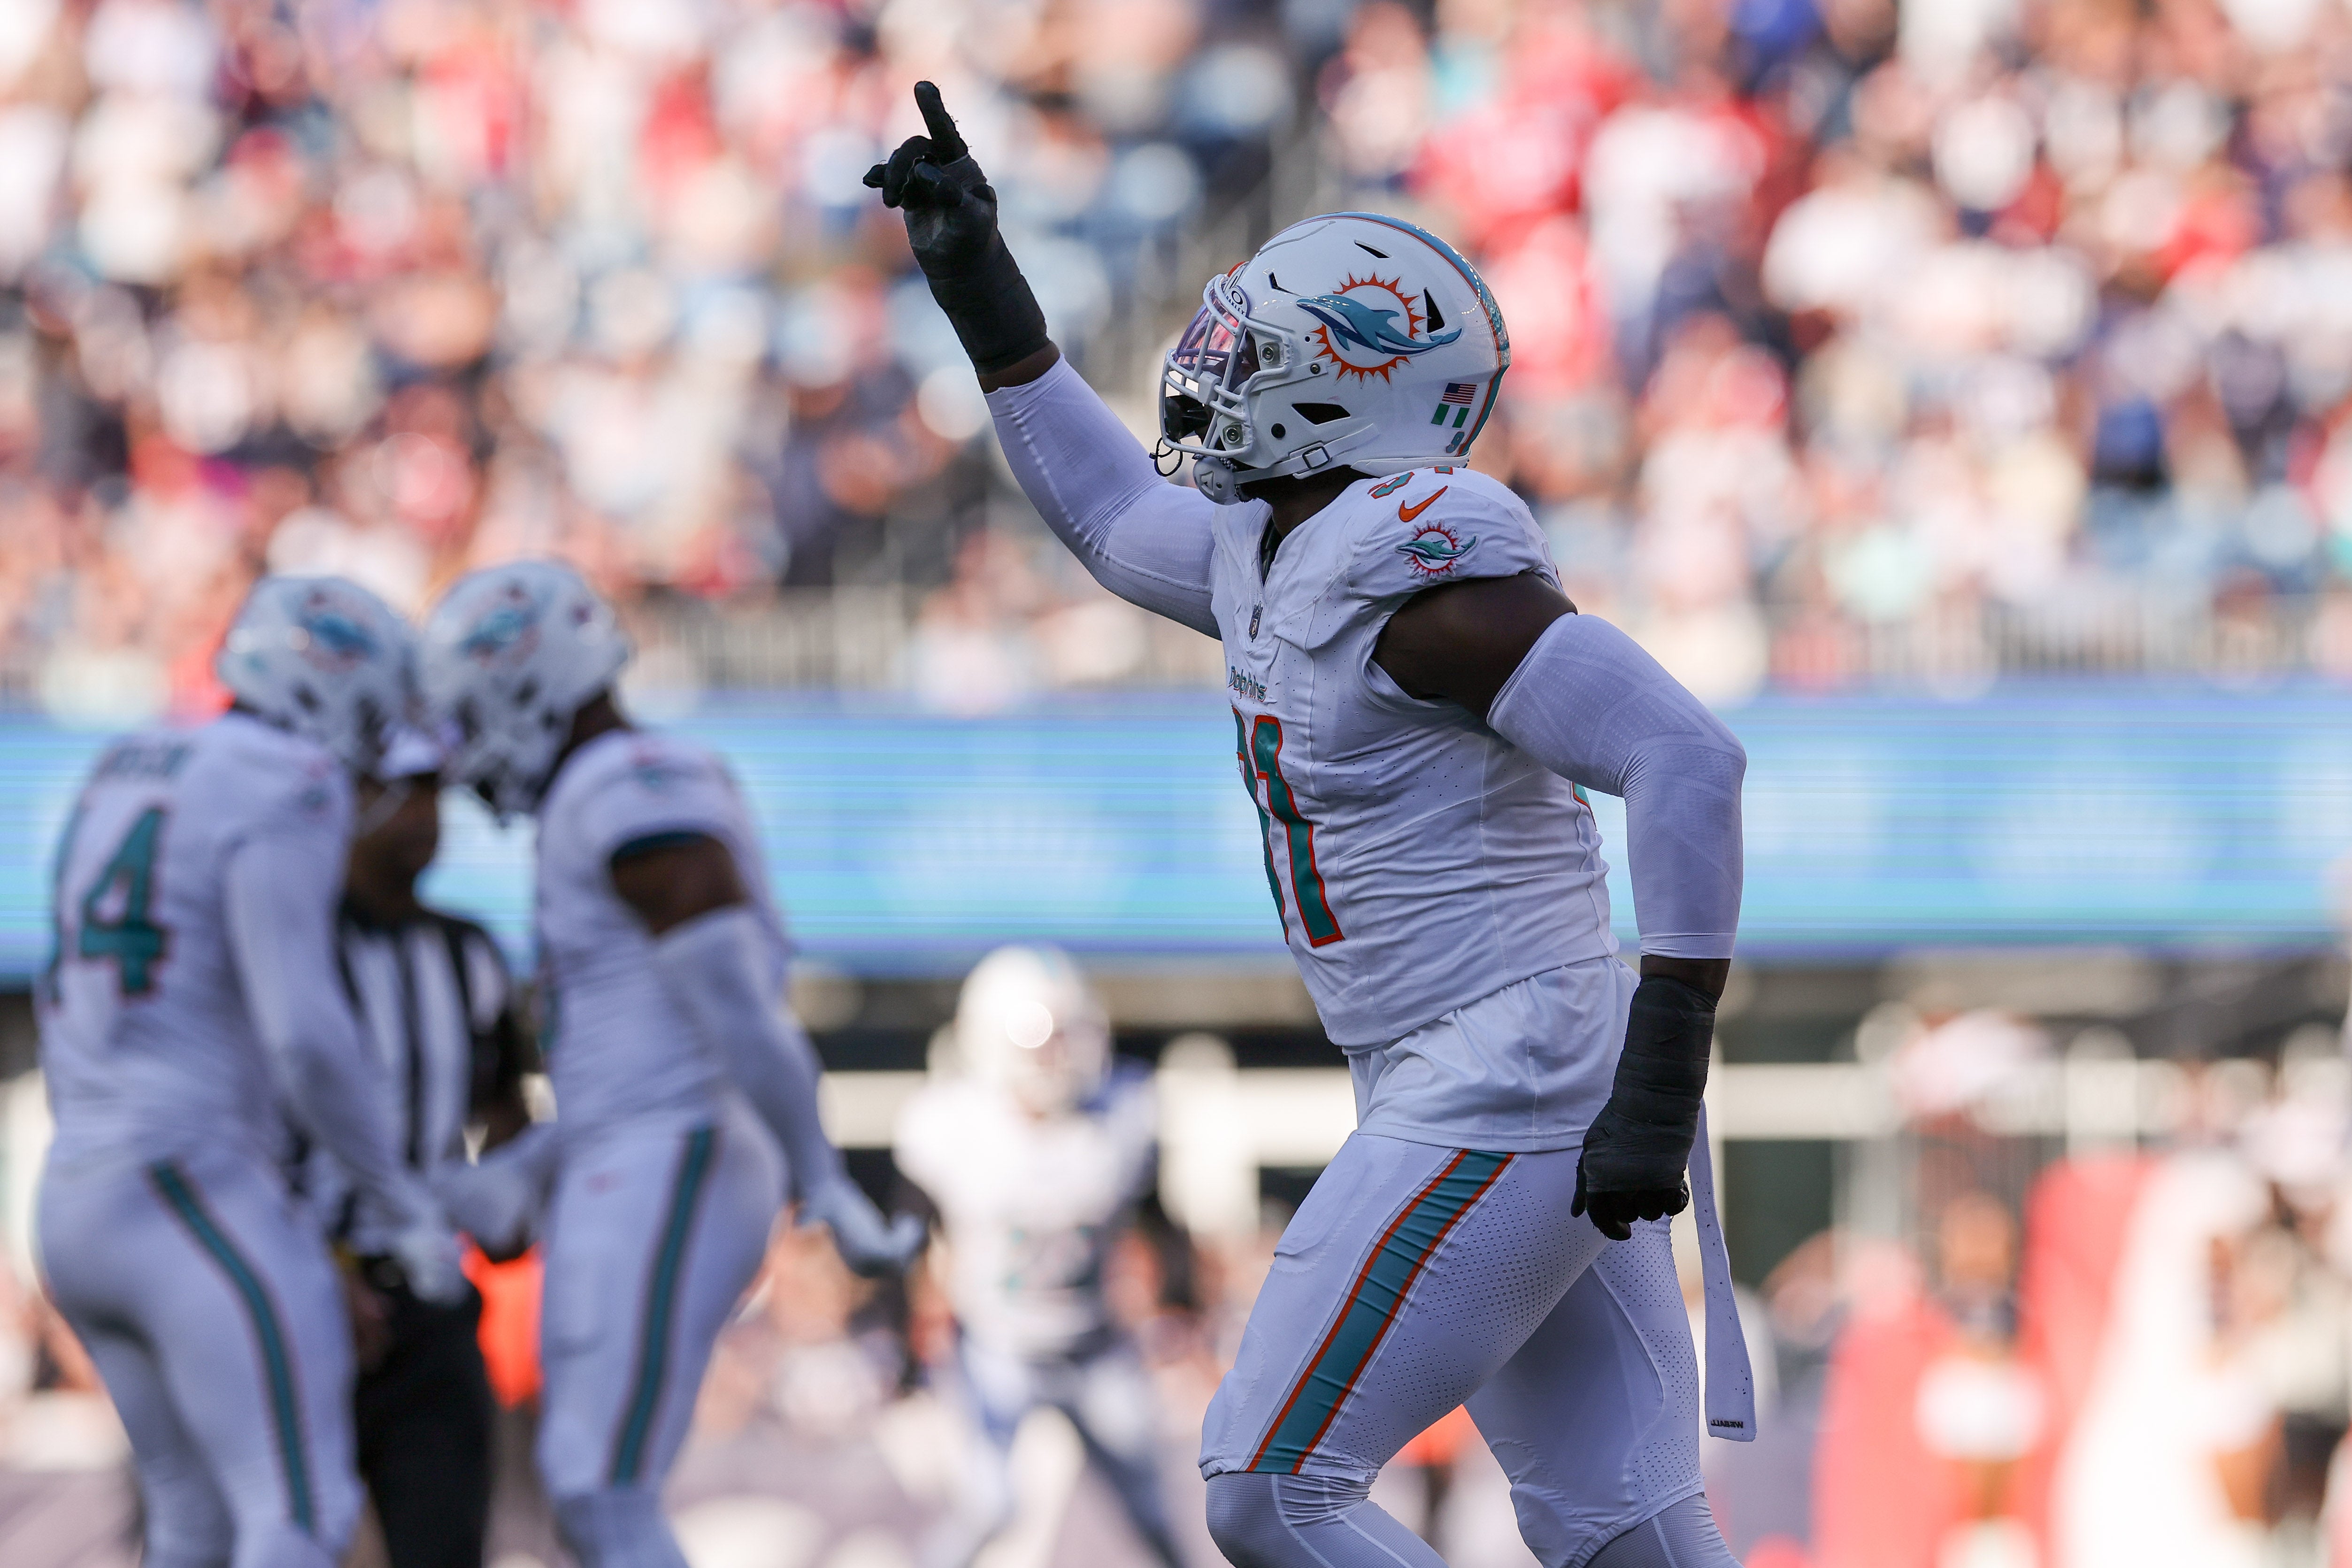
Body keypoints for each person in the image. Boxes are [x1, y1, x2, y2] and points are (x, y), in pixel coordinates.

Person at [871, 85, 1754, 1568]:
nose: (1217, 366)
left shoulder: (1429, 583)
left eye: (1260, 351)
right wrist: (981, 285)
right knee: (1627, 1535)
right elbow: (1102, 515)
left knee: (1271, 1486)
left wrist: (1663, 1069)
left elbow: (1687, 757)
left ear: (1366, 389)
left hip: (1507, 1068)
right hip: (1487, 1059)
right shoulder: (1280, 540)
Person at [415, 559, 925, 1568]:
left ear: (527, 683)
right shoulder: (611, 787)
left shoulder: (626, 785)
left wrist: (823, 1175)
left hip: (674, 1149)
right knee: (586, 1485)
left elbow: (738, 1010)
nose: (467, 754)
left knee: (600, 1486)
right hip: (633, 1142)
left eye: (474, 712)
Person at [36, 575, 468, 1568]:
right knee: (302, 1511)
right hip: (186, 1181)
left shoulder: (127, 760)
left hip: (79, 1193)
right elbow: (305, 1032)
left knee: (194, 1521)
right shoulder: (284, 776)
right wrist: (396, 1204)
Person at [307, 724, 541, 1568]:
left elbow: (505, 1108)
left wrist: (519, 1190)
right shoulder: (294, 944)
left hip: (429, 1300)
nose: (421, 815)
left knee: (445, 1543)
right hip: (301, 1290)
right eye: (399, 790)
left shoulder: (467, 952)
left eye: (433, 792)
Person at [894, 946, 1181, 1568]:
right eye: (1036, 1034)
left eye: (1068, 1031)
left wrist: (1180, 1305)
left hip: (1094, 1343)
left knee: (1155, 1513)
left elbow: (1161, 1222)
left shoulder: (1122, 1113)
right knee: (990, 1506)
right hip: (996, 1346)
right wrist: (904, 1357)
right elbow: (906, 1245)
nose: (1056, 1052)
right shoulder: (950, 1125)